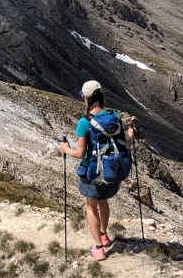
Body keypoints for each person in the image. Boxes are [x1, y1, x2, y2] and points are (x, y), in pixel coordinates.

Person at [57, 80, 135, 260]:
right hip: (112, 173)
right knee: (103, 202)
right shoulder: (113, 116)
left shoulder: (84, 123)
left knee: (91, 206)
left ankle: (99, 248)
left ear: (86, 98)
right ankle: (104, 234)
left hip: (92, 174)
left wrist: (64, 149)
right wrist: (130, 135)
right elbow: (127, 144)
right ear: (101, 96)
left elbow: (79, 153)